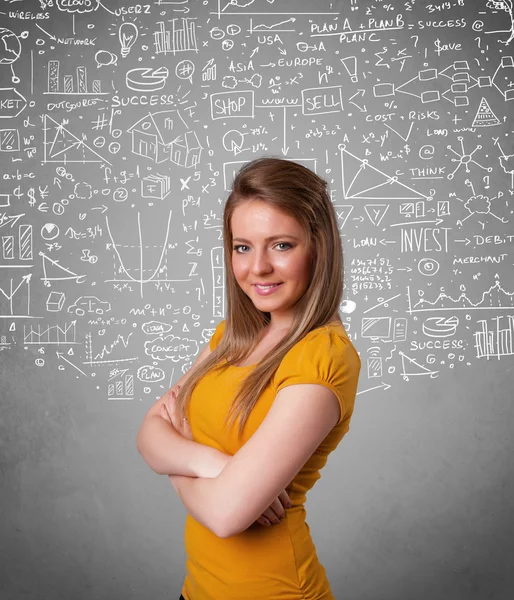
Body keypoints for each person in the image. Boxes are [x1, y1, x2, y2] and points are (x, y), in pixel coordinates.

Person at [136, 157, 361, 600]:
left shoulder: (323, 357)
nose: (257, 267)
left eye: (280, 245)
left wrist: (176, 460)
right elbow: (147, 434)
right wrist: (214, 466)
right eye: (242, 247)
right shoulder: (233, 337)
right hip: (198, 588)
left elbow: (225, 515)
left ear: (318, 247)